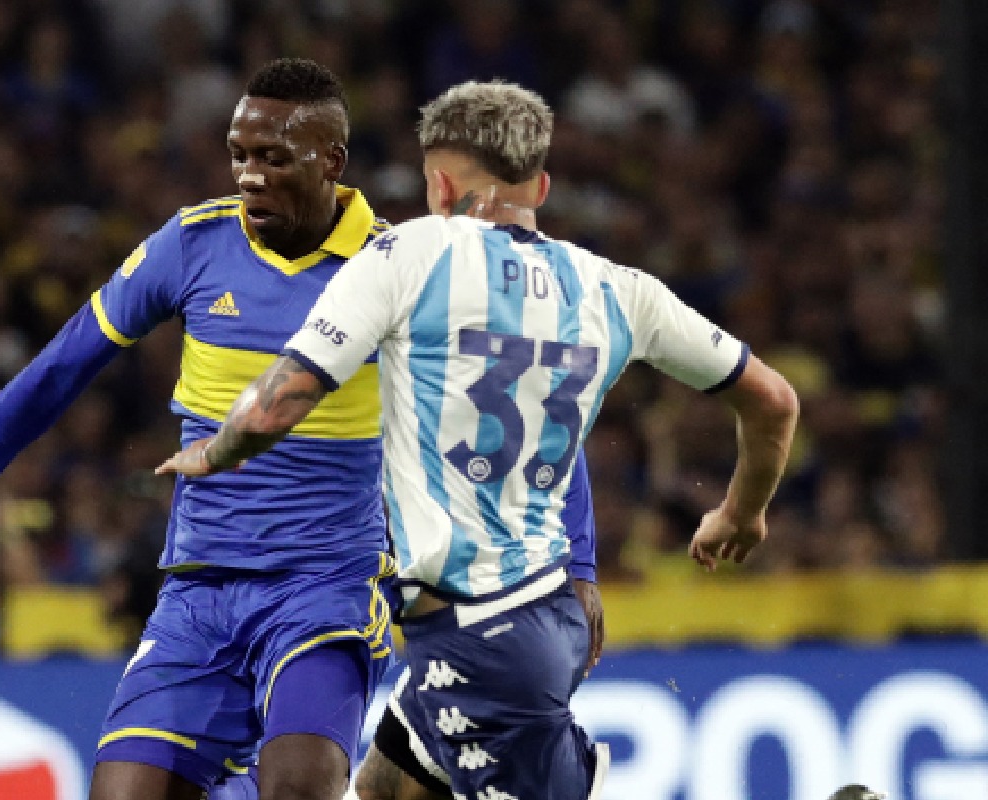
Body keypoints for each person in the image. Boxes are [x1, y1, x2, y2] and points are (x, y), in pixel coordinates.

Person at [157, 80, 799, 800]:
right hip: (540, 612)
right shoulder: (618, 290)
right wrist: (742, 511)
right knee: (383, 790)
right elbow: (773, 400)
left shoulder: (410, 253)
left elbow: (282, 401)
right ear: (542, 185)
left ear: (437, 182)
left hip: (479, 635)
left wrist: (214, 452)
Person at [0, 57, 401, 800]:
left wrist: (568, 567)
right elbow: (61, 368)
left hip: (326, 588)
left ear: (332, 161)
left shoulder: (396, 267)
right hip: (200, 592)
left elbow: (509, 408)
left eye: (273, 158)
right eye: (239, 155)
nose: (249, 175)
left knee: (299, 786)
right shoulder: (193, 245)